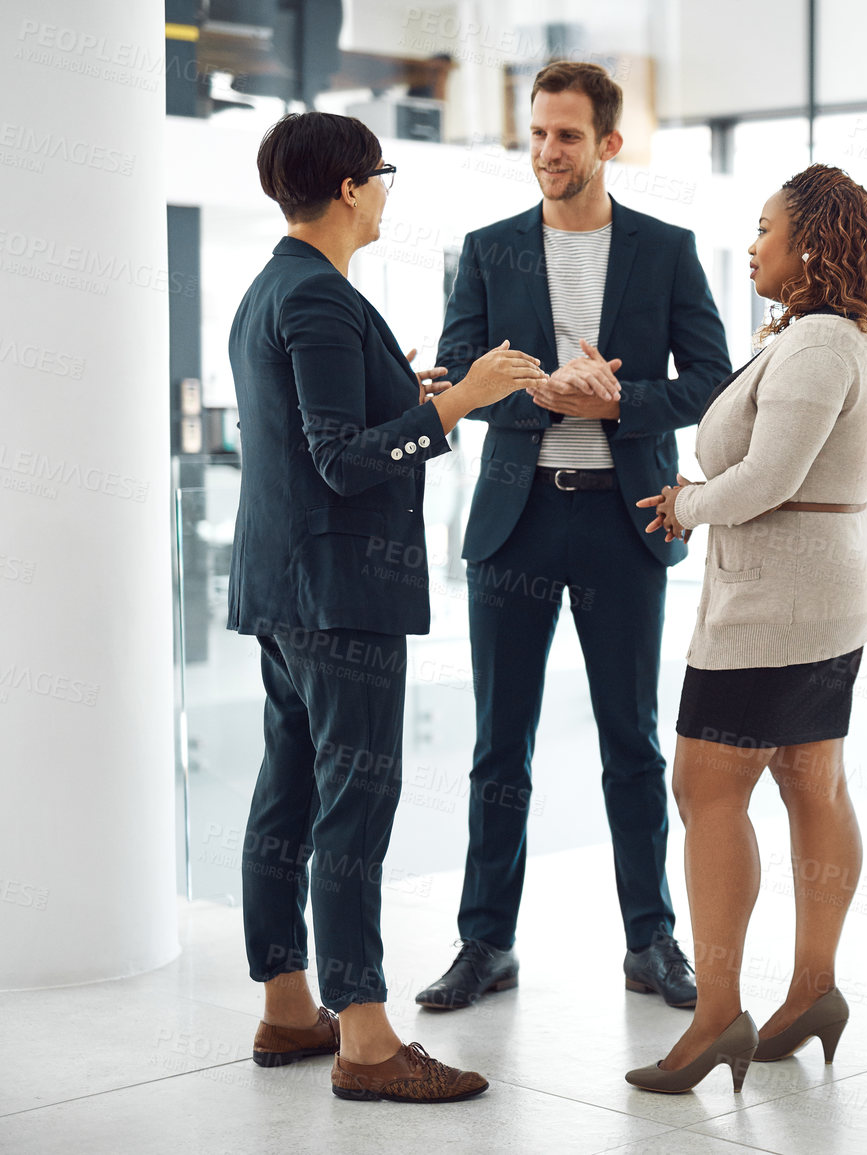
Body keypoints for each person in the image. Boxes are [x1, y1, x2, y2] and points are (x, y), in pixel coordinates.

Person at [229, 111, 543, 1102]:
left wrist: (409, 400)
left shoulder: (274, 288)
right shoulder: (319, 299)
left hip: (284, 587)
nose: (388, 190)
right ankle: (365, 1039)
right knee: (353, 806)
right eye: (384, 173)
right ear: (354, 188)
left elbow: (319, 436)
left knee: (289, 795)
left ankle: (289, 1007)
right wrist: (455, 404)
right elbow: (343, 462)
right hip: (339, 597)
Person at [421, 61, 731, 1011]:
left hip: (621, 519)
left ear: (608, 144)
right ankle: (485, 944)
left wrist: (616, 400)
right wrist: (527, 391)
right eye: (537, 134)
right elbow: (451, 380)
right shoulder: (485, 249)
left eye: (565, 136)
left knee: (630, 740)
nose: (546, 152)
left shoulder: (667, 248)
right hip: (516, 523)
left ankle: (651, 941)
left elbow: (713, 382)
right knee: (496, 747)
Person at [623, 164, 867, 1093]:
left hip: (778, 603)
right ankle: (811, 992)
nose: (752, 244)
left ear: (810, 243)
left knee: (706, 784)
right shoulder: (839, 336)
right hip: (821, 591)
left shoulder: (819, 343)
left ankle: (716, 1016)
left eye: (765, 227)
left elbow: (771, 476)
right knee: (810, 778)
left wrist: (688, 502)